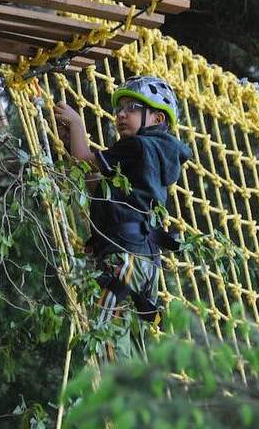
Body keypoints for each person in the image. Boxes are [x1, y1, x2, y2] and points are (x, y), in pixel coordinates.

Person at [53, 75, 191, 345]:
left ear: (157, 118)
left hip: (125, 259)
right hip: (145, 261)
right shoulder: (157, 153)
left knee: (104, 338)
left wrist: (77, 124)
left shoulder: (136, 146)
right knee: (128, 343)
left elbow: (84, 161)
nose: (121, 114)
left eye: (132, 108)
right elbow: (100, 187)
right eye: (120, 108)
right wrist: (72, 141)